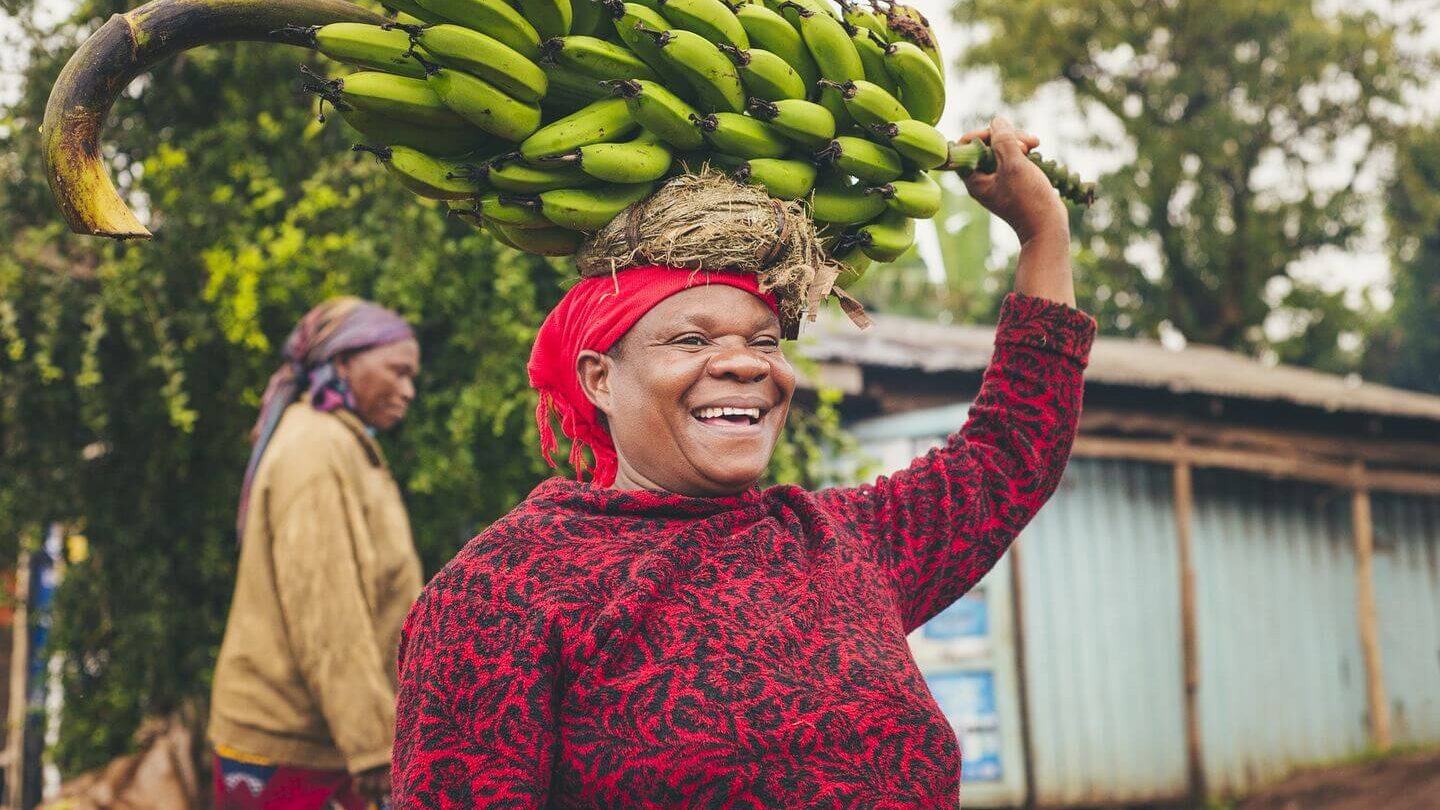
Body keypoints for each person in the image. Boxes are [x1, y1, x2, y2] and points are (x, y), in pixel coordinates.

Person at [392, 119, 1094, 806]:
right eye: (691, 340)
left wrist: (1041, 232)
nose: (741, 364)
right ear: (600, 379)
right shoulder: (503, 592)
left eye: (764, 340)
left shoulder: (841, 542)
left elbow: (1010, 452)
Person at [211, 297, 423, 810]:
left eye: (412, 377)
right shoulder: (316, 450)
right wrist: (373, 745)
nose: (407, 390)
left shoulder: (340, 443)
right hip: (294, 745)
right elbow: (328, 613)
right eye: (397, 371)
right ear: (344, 361)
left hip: (318, 741)